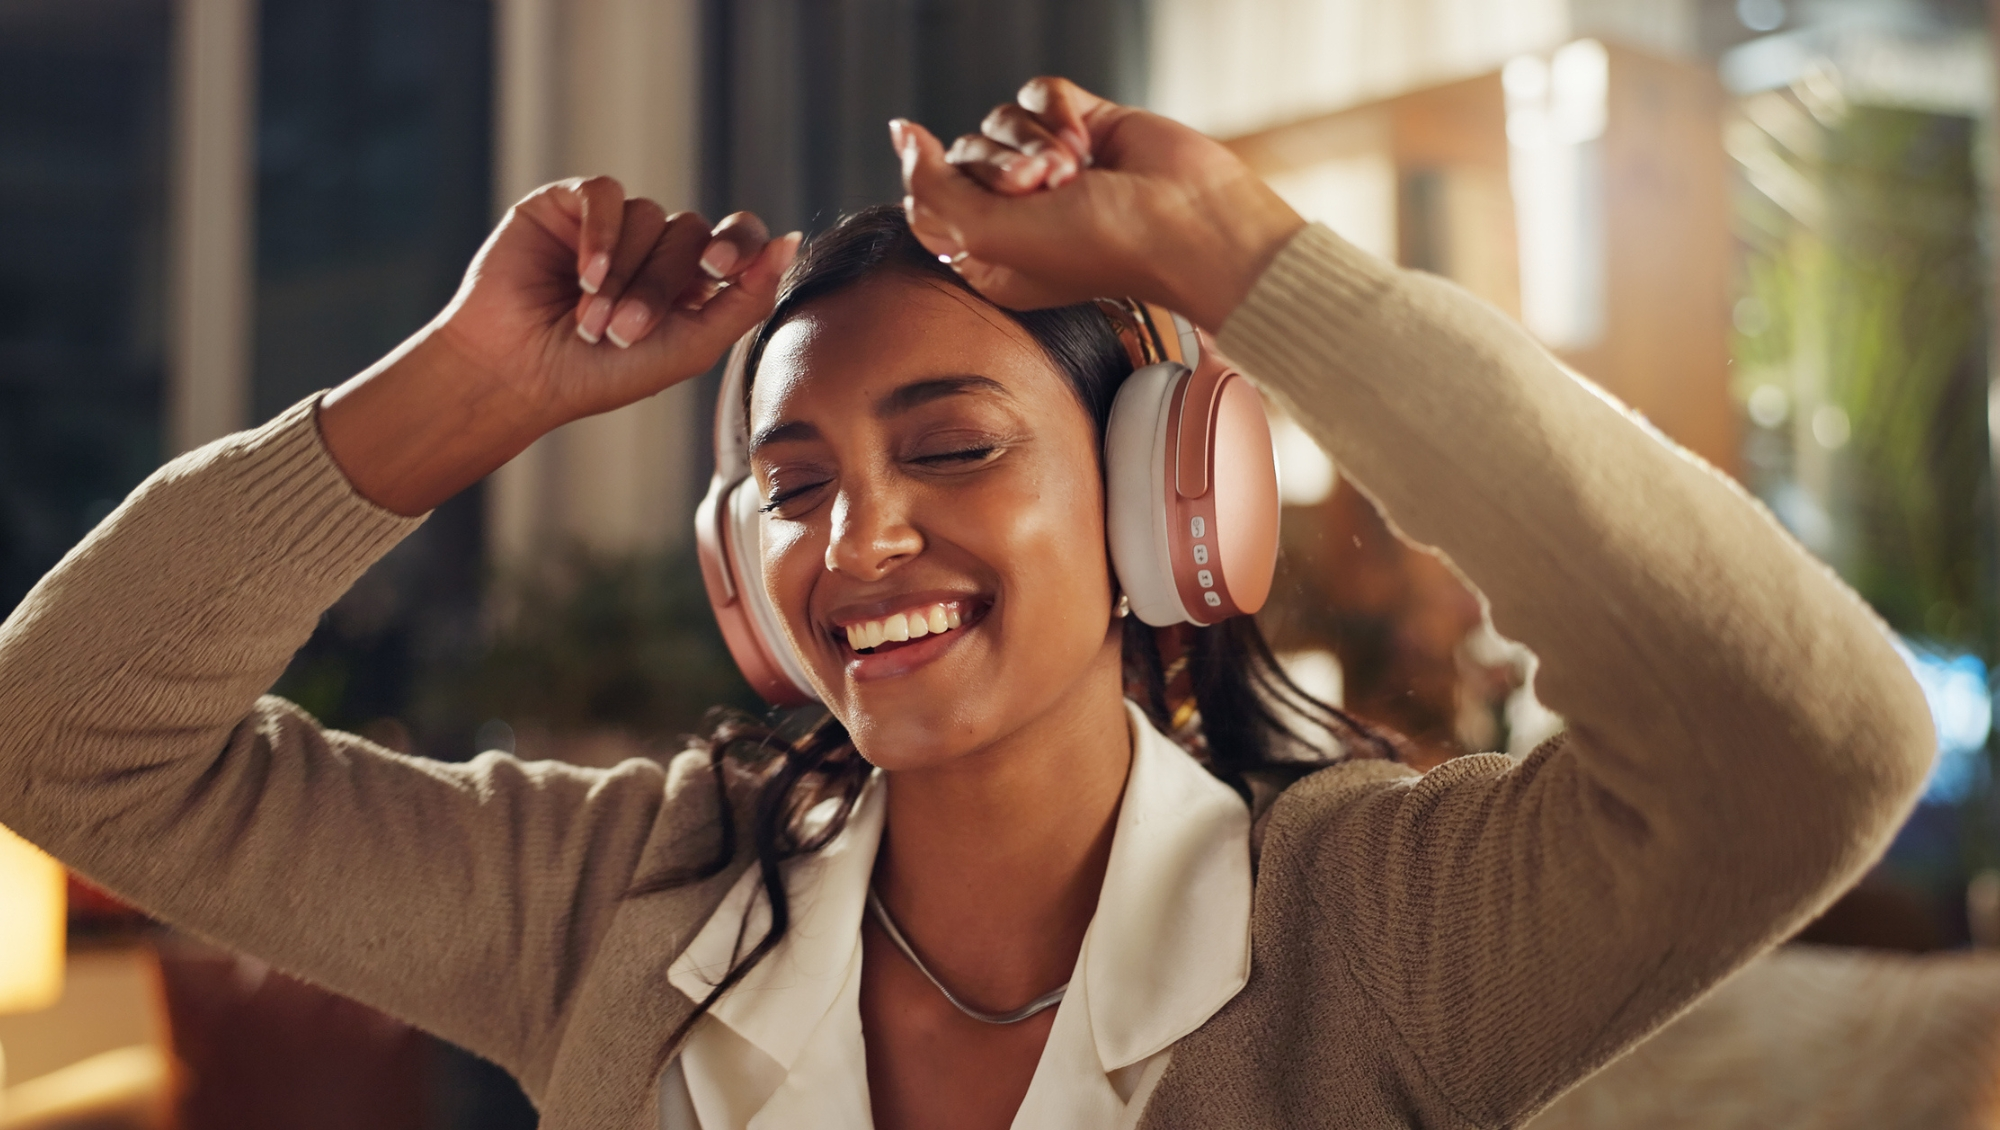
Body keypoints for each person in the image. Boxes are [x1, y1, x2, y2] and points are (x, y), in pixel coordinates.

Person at [0, 76, 1933, 1130]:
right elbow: (65, 736)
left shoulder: (1376, 936)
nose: (857, 543)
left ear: (1161, 499)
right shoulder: (608, 906)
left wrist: (1253, 268)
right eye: (791, 486)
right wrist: (468, 392)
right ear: (734, 584)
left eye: (950, 448)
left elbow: (1816, 741)